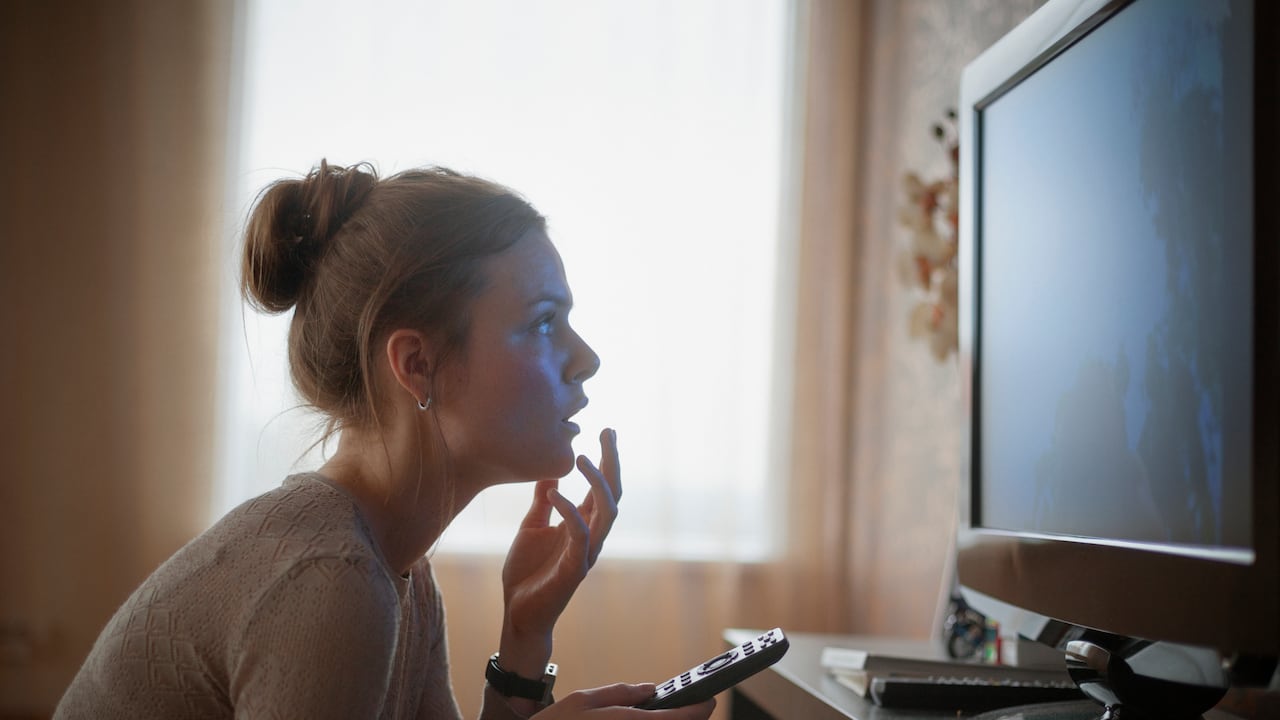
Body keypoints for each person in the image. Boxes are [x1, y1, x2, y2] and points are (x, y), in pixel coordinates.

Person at [55, 161, 716, 720]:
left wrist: (525, 632)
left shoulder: (400, 572)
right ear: (417, 365)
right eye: (544, 323)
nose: (586, 359)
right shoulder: (332, 579)